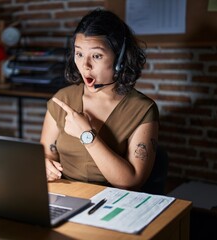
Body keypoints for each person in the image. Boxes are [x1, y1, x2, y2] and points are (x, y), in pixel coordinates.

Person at [40, 9, 159, 190]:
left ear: (120, 58)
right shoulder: (62, 99)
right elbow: (45, 155)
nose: (85, 65)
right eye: (79, 54)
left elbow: (132, 180)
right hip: (64, 195)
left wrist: (86, 135)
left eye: (96, 56)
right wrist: (45, 165)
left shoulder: (142, 109)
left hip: (112, 203)